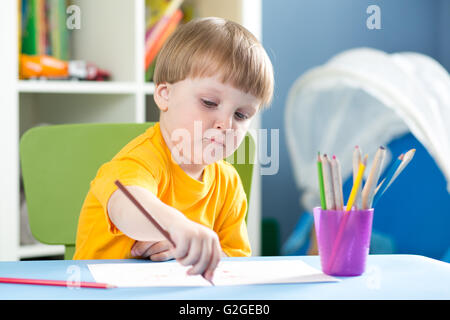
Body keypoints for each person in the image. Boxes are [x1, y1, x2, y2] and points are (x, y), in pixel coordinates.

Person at [73, 17, 274, 282]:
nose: (225, 124)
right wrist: (177, 228)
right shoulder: (140, 160)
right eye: (209, 102)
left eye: (241, 114)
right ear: (164, 95)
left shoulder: (229, 184)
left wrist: (196, 253)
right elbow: (127, 204)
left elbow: (234, 262)